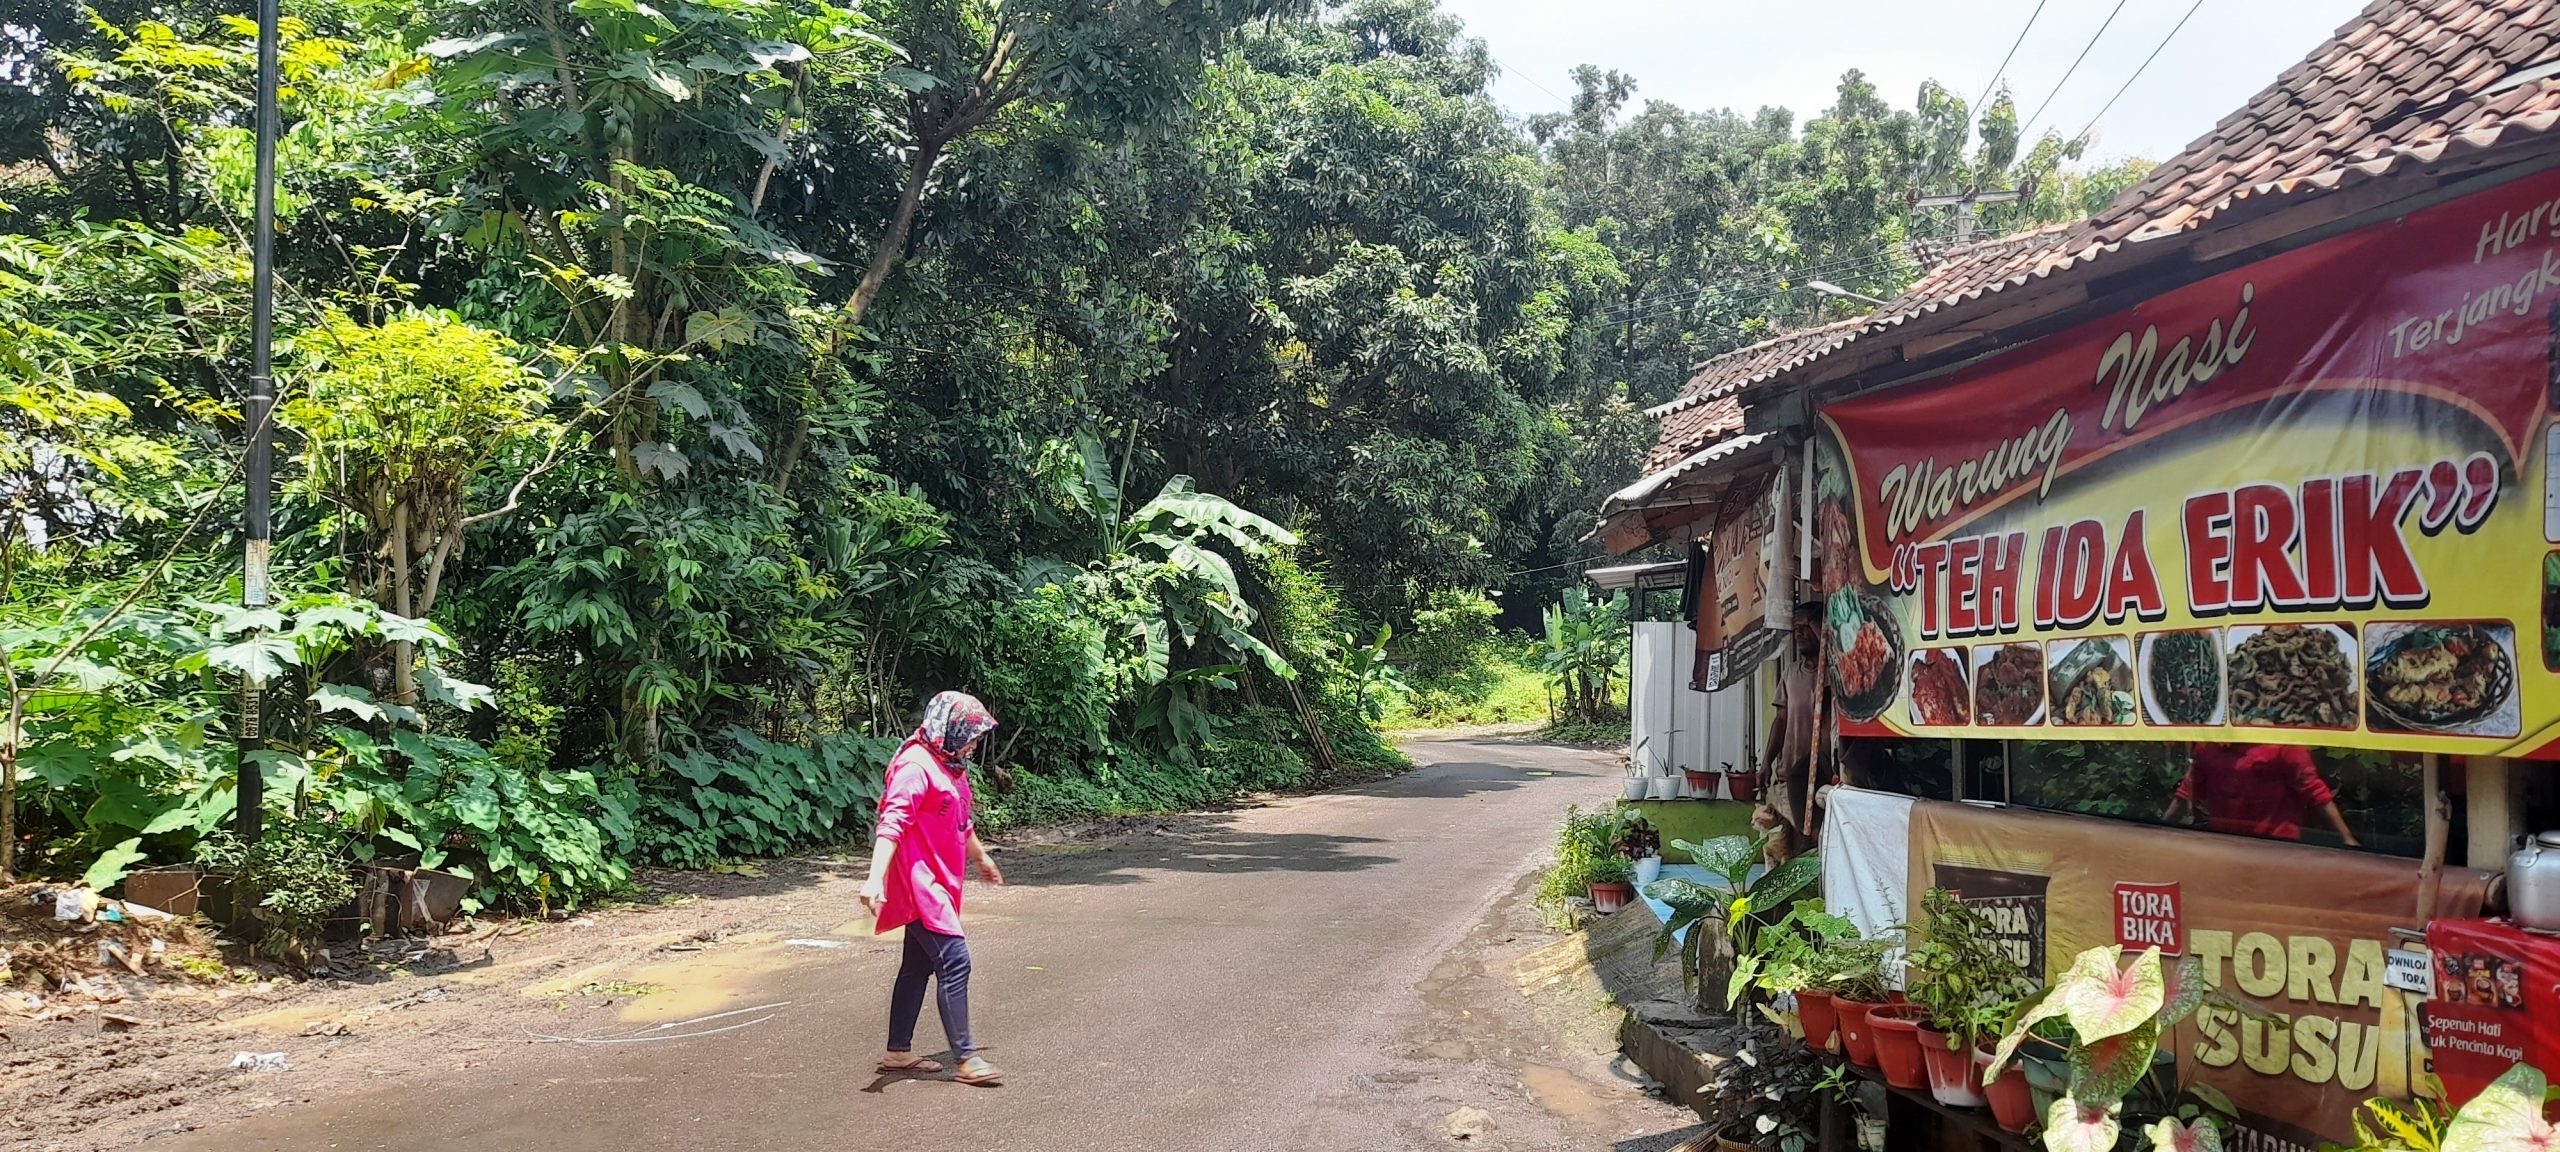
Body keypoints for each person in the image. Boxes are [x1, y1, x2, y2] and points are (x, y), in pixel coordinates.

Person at [859, 691, 1009, 1086]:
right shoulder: (915, 766)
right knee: (955, 960)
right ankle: (966, 1059)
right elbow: (891, 824)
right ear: (949, 729)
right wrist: (875, 878)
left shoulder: (950, 766)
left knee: (917, 965)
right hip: (920, 887)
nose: (974, 743)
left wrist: (979, 858)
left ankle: (897, 1052)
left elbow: (961, 822)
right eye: (970, 734)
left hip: (941, 883)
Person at [2164, 741, 2360, 846]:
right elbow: (2185, 795)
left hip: (2276, 849)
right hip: (2226, 848)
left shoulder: (2282, 745)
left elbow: (2316, 793)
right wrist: (2157, 832)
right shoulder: (2208, 748)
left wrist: (2347, 840)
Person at [1759, 601, 1823, 855]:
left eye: (1807, 626)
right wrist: (1766, 761)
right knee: (1787, 851)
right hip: (1788, 778)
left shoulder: (1832, 672)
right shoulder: (1791, 674)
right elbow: (1781, 720)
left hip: (1822, 778)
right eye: (1795, 628)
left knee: (1817, 849)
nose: (1800, 633)